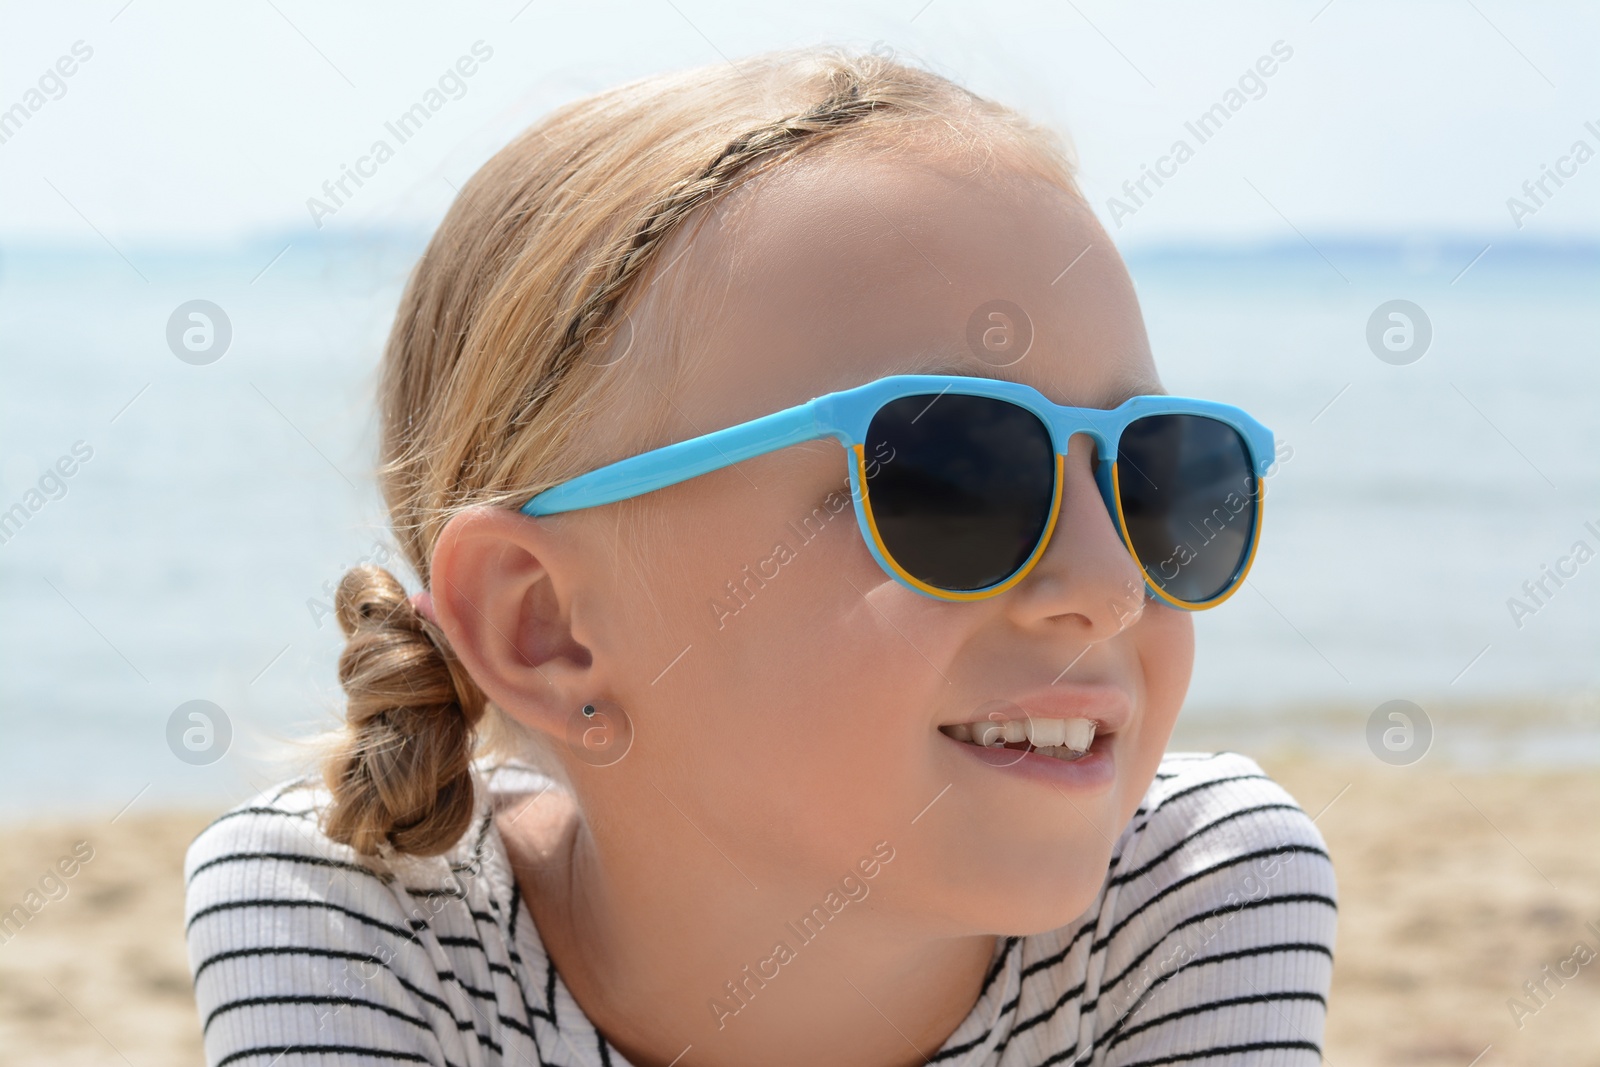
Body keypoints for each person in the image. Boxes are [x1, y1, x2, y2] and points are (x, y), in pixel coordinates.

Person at [184, 44, 1336, 1067]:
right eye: (952, 476)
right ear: (549, 626)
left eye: (1155, 476)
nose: (1108, 585)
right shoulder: (357, 918)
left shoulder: (1189, 893)